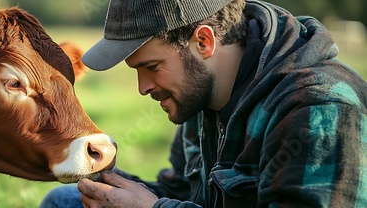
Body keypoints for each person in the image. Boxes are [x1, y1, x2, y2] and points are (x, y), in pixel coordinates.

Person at [40, 0, 367, 207]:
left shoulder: (320, 107)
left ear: (204, 41)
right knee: (65, 201)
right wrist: (100, 180)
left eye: (152, 67)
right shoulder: (201, 99)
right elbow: (181, 191)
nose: (143, 88)